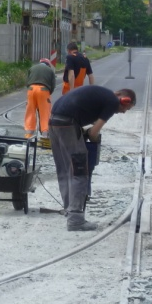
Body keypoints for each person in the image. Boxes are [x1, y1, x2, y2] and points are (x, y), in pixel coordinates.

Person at [48, 85, 136, 231]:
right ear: (124, 100)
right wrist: (92, 137)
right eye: (126, 109)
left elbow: (91, 121)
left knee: (64, 169)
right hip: (68, 124)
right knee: (79, 170)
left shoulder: (102, 95)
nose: (124, 112)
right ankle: (75, 219)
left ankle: (69, 210)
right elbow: (94, 133)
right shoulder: (113, 102)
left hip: (53, 122)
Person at [24, 57, 56, 138]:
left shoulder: (32, 68)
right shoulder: (50, 70)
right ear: (48, 65)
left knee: (30, 111)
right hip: (43, 90)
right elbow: (53, 86)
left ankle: (29, 134)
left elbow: (27, 81)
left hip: (31, 90)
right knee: (45, 113)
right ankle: (45, 134)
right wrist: (48, 94)